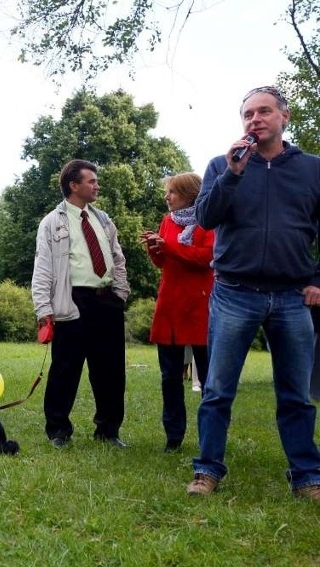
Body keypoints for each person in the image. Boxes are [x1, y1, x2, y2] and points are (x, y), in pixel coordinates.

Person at [188, 86, 320, 500]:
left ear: (285, 117)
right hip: (234, 293)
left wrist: (318, 279)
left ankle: (307, 477)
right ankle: (207, 471)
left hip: (291, 296)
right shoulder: (220, 166)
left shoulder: (312, 169)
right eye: (248, 114)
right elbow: (206, 219)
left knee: (296, 395)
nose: (255, 119)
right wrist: (233, 172)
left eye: (264, 111)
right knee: (217, 390)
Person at [31, 159, 130, 449]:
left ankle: (108, 431)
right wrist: (43, 309)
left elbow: (118, 258)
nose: (97, 185)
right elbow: (43, 267)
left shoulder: (103, 220)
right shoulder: (52, 222)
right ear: (74, 186)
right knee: (65, 369)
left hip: (106, 301)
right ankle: (59, 431)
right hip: (72, 301)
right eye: (91, 181)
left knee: (111, 371)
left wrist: (119, 295)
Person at [140, 173, 214, 453]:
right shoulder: (167, 221)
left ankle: (210, 436)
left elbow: (205, 258)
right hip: (170, 304)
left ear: (189, 194)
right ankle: (174, 436)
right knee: (169, 376)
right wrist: (154, 248)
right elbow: (163, 262)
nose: (167, 197)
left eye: (172, 192)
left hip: (200, 307)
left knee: (209, 378)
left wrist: (168, 246)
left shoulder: (208, 220)